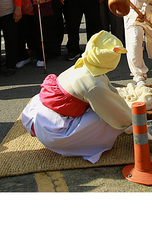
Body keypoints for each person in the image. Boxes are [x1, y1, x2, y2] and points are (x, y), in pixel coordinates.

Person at [21, 31, 133, 163]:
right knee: (109, 120)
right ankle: (79, 144)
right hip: (55, 131)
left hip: (38, 115)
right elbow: (118, 114)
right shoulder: (93, 83)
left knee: (107, 107)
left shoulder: (84, 63)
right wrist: (135, 122)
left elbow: (110, 92)